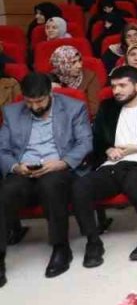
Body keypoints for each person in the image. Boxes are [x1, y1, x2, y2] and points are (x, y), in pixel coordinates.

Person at [71, 66, 137, 268]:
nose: (117, 90)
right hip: (112, 163)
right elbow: (97, 139)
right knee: (80, 187)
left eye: (122, 85)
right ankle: (93, 242)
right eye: (113, 86)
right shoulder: (107, 107)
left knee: (133, 183)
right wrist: (107, 150)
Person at [0, 72, 92, 282]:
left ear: (50, 92)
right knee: (4, 193)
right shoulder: (12, 112)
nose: (34, 107)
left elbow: (85, 142)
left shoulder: (73, 108)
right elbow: (2, 149)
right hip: (25, 169)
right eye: (29, 102)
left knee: (51, 187)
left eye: (39, 101)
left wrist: (63, 162)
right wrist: (16, 167)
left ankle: (61, 248)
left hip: (57, 167)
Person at [48, 44, 102, 117]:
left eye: (79, 60)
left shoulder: (90, 77)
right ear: (62, 65)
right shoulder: (51, 78)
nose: (79, 65)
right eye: (73, 62)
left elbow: (94, 109)